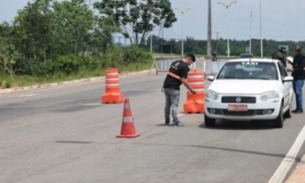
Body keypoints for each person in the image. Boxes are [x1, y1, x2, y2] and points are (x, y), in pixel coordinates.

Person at [163, 54, 196, 126]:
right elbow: (184, 80)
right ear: (189, 59)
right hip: (174, 87)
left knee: (167, 104)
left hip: (166, 85)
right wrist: (191, 90)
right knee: (174, 105)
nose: (190, 64)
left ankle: (167, 119)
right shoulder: (185, 67)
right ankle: (175, 121)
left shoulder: (175, 62)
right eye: (191, 62)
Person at [287, 46, 305, 113]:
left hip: (300, 78)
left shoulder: (302, 58)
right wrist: (291, 63)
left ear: (298, 51)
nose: (294, 52)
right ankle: (297, 107)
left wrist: (293, 69)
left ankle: (300, 108)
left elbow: (301, 68)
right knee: (296, 93)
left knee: (298, 92)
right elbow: (295, 65)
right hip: (295, 77)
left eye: (295, 51)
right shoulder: (295, 57)